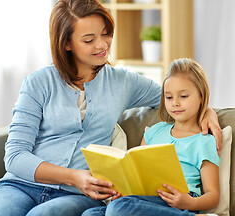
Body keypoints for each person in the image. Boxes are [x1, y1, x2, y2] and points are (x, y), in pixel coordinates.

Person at [0, 0, 221, 216]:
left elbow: (174, 95)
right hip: (20, 185)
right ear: (67, 44)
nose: (102, 44)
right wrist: (74, 176)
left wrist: (207, 111)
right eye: (89, 39)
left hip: (77, 195)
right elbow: (15, 156)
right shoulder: (38, 82)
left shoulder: (122, 81)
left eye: (106, 33)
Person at [83, 58, 220, 216]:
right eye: (168, 97)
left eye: (183, 96)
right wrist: (125, 192)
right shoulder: (154, 132)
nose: (175, 103)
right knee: (91, 214)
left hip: (180, 201)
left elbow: (213, 196)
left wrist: (190, 202)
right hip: (145, 198)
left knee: (117, 209)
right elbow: (136, 170)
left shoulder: (204, 141)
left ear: (201, 96)